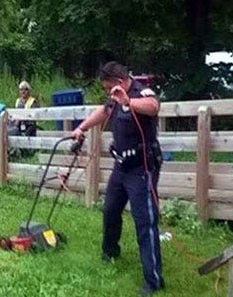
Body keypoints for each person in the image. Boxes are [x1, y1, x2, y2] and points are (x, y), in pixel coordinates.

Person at [71, 61, 164, 296]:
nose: (107, 93)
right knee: (110, 210)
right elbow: (104, 112)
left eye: (108, 88)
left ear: (121, 81)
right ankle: (110, 252)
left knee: (145, 222)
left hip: (142, 168)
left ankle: (153, 281)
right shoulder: (113, 97)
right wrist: (81, 128)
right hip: (120, 167)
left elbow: (153, 106)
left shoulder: (140, 92)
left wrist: (128, 101)